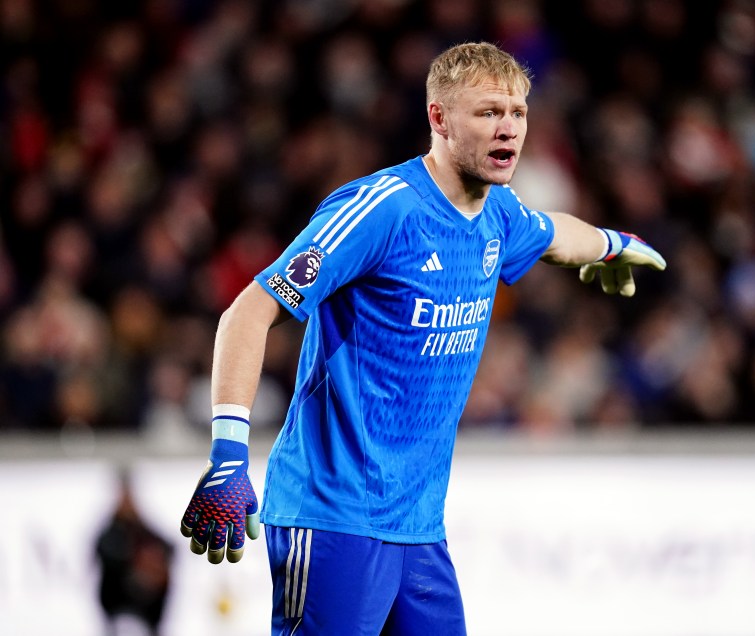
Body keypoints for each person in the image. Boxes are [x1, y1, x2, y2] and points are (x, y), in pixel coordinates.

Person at [179, 41, 665, 635]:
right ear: (439, 118)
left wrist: (612, 244)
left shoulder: (498, 215)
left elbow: (557, 235)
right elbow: (246, 315)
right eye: (488, 112)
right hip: (333, 514)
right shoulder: (381, 211)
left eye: (517, 112)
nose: (508, 127)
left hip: (417, 527)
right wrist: (229, 456)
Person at [96, 468, 173, 636]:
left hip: (147, 604)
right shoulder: (111, 530)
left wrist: (152, 564)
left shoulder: (143, 529)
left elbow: (170, 547)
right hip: (117, 599)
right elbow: (102, 552)